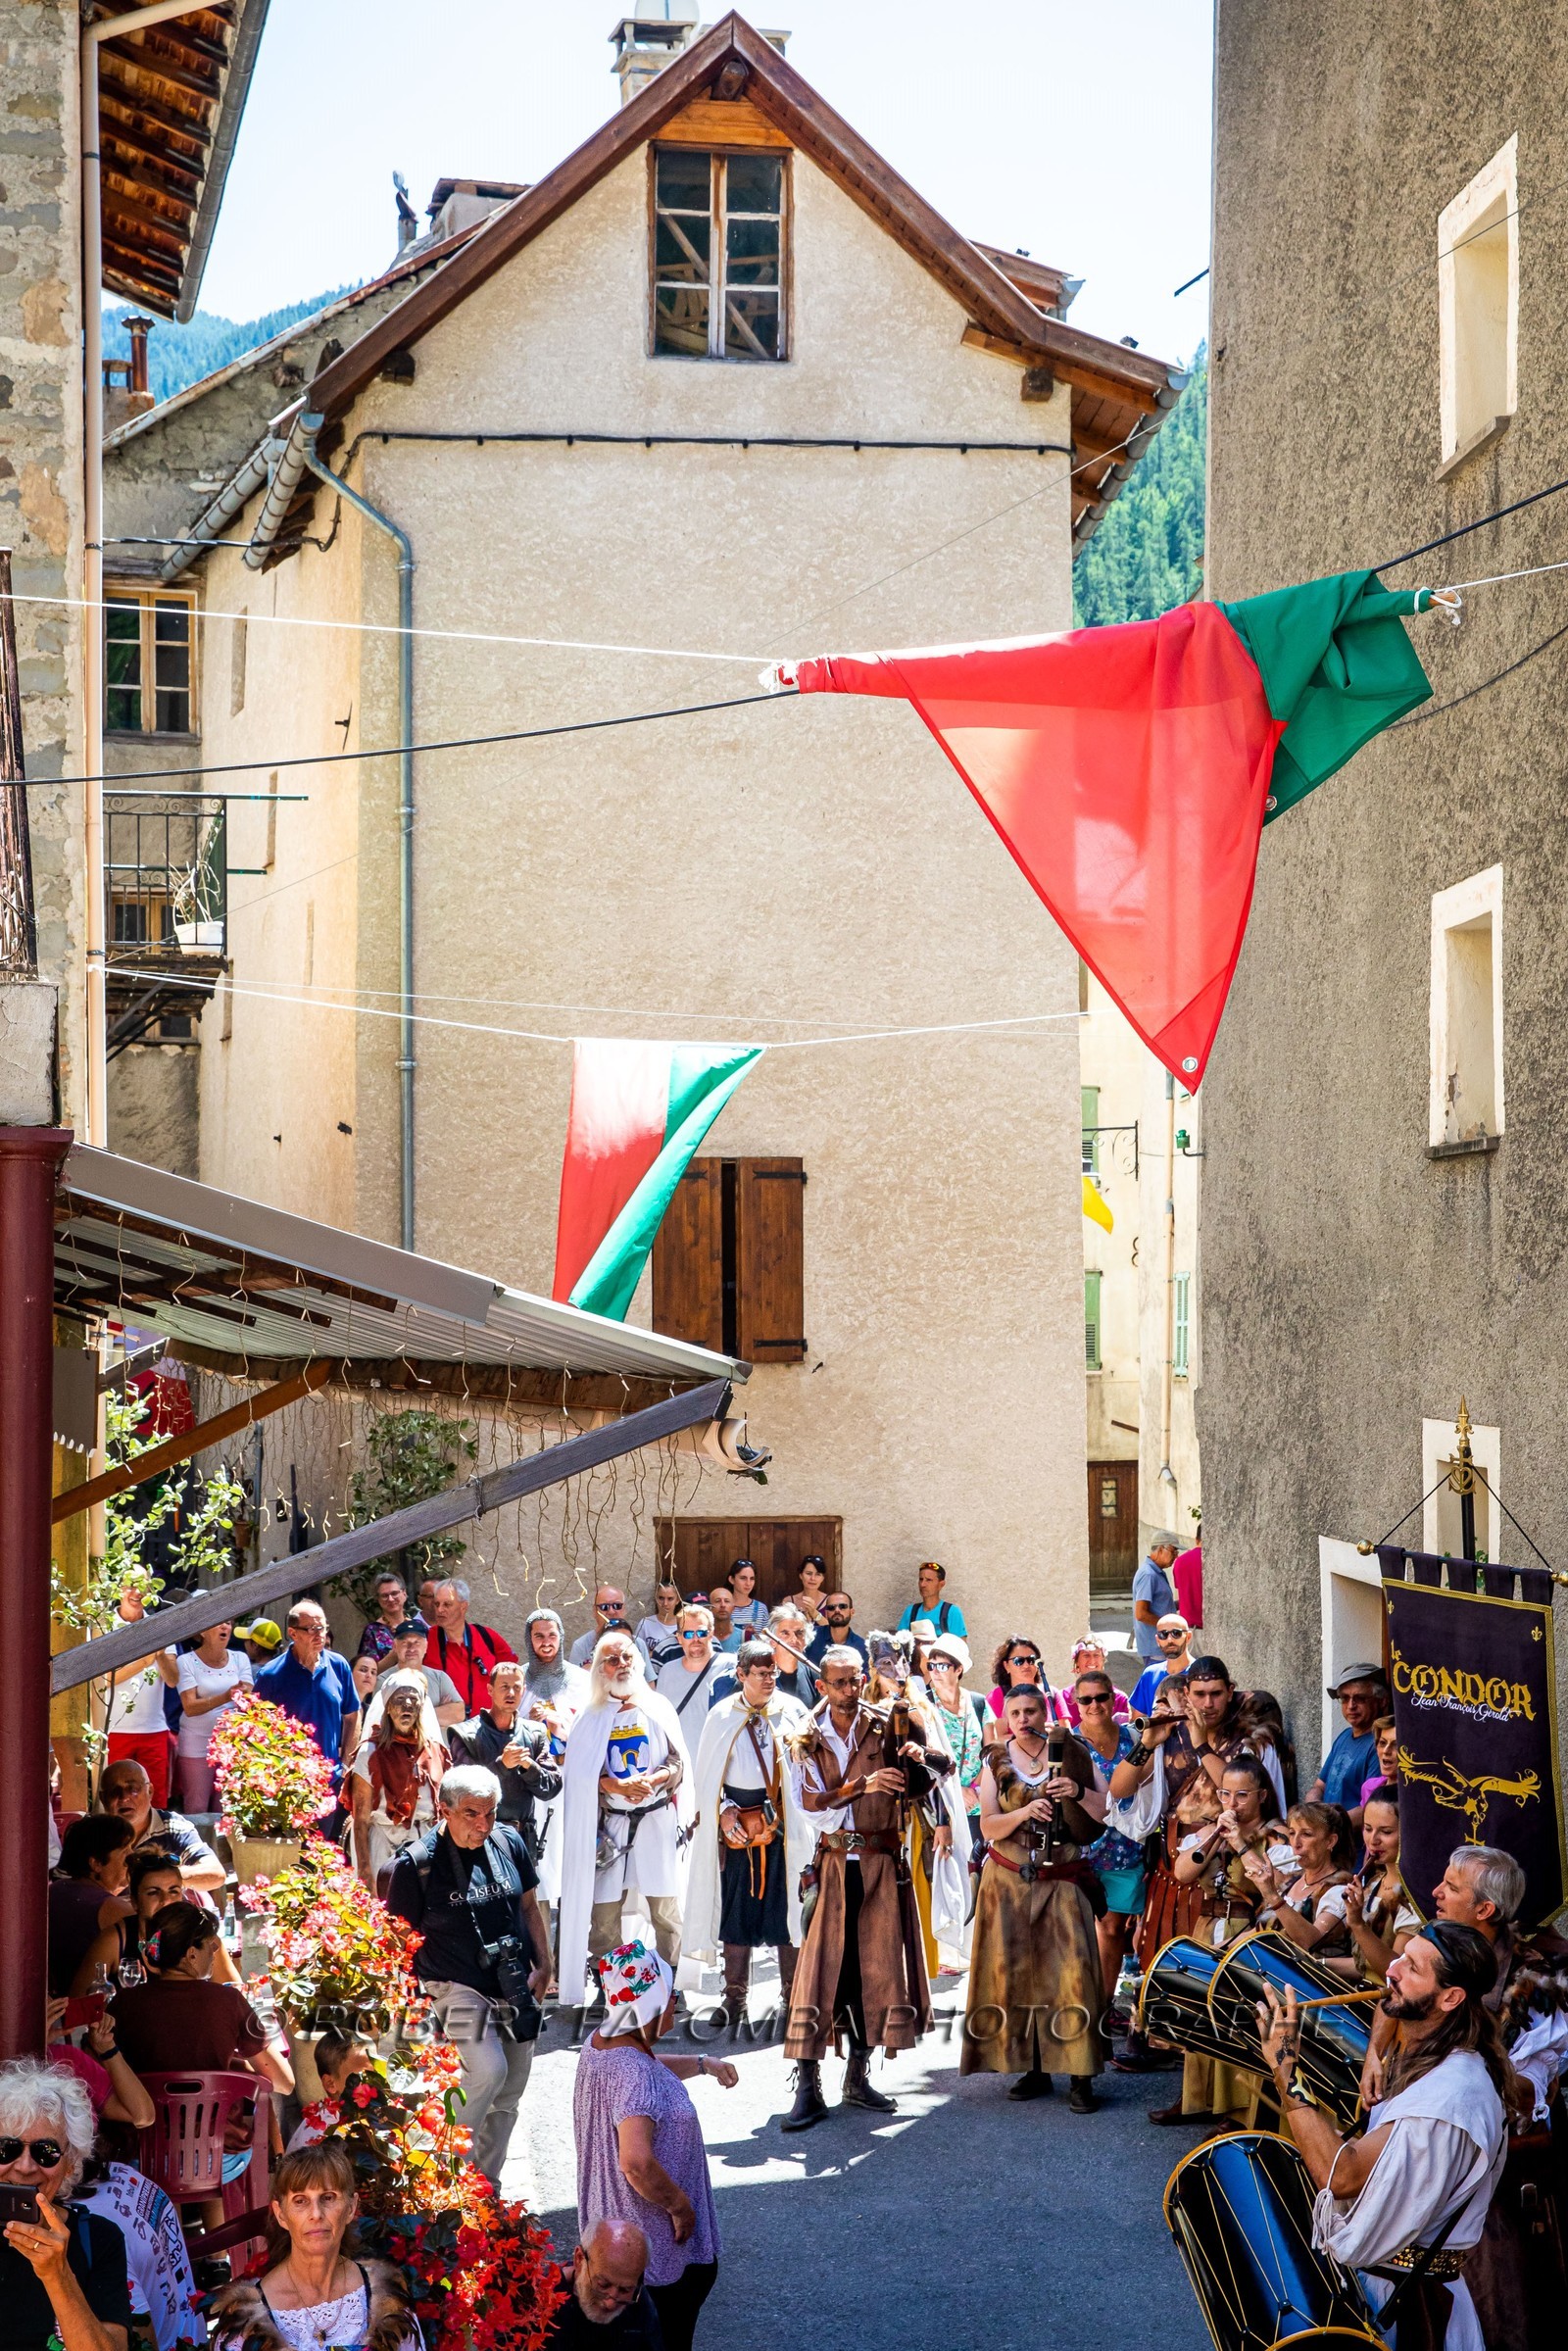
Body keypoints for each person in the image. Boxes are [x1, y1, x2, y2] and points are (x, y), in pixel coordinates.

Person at [1260, 1922, 1519, 2351]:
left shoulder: (1452, 2093)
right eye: (1400, 1957)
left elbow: (1339, 2177)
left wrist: (1287, 2070)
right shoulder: (1431, 2059)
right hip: (1390, 2286)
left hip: (1412, 2310)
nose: (1392, 1971)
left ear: (1450, 1997)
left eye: (1412, 1968)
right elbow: (1376, 2160)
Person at [780, 1645, 952, 2131]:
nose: (849, 1690)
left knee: (873, 1972)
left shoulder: (888, 1724)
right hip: (834, 1866)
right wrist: (863, 1785)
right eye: (839, 1683)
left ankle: (857, 2078)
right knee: (819, 1976)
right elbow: (811, 1805)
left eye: (856, 1680)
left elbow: (935, 1777)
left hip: (880, 1865)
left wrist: (923, 1754)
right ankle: (807, 2086)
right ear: (822, 1685)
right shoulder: (803, 1735)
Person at [1105, 1656, 1285, 2076]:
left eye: (1216, 1693)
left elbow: (1238, 1791)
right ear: (1186, 1695)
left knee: (1208, 1968)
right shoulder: (1168, 1734)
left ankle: (1204, 2067)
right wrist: (1148, 1743)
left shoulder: (1251, 1739)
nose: (1207, 1703)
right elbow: (1119, 1788)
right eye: (1198, 1694)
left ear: (1231, 1691)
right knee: (1161, 1953)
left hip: (1226, 1861)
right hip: (1175, 1861)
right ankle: (1168, 2053)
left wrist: (1202, 1742)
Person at [1421, 1845, 1568, 2350]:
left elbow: (1526, 2096)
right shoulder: (1438, 1946)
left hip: (1495, 2160)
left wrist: (1464, 2066)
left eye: (1451, 1888)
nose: (1436, 1893)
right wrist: (1378, 2053)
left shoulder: (1534, 1983)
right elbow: (1392, 1997)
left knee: (1494, 2295)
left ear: (1485, 1910)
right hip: (1434, 2135)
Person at [384, 1764, 551, 2189]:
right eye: (472, 1814)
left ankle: (485, 2188)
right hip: (453, 1982)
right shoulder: (416, 1865)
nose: (484, 1824)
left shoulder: (509, 1841)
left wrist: (546, 1966)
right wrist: (408, 2006)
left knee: (510, 2092)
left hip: (514, 1982)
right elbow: (399, 1942)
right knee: (489, 2070)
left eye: (491, 1813)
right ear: (444, 1810)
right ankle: (445, 2167)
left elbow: (530, 1907)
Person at [573, 1943, 732, 2351]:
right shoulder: (632, 2073)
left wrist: (702, 2063)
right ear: (655, 2004)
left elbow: (646, 2068)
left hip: (615, 2235)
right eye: (672, 1997)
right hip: (653, 2250)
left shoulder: (603, 2043)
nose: (676, 2006)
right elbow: (637, 2162)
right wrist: (680, 2206)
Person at [961, 1682, 1104, 2109]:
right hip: (1007, 1881)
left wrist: (1076, 1793)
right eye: (1015, 1712)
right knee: (1018, 1975)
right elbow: (987, 1826)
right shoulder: (997, 1762)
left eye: (1031, 1711)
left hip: (1062, 1877)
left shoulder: (1073, 1751)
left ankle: (1081, 2075)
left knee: (1073, 1974)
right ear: (1006, 1717)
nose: (1023, 1719)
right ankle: (1034, 2067)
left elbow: (1104, 1810)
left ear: (1044, 1713)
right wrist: (1024, 1811)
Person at [559, 1637, 695, 2008]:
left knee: (665, 1909)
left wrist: (653, 1780)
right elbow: (579, 1775)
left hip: (655, 1821)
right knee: (603, 1914)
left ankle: (670, 1987)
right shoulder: (590, 1717)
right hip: (611, 1827)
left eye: (627, 1657)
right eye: (611, 1659)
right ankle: (612, 1987)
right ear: (599, 1669)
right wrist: (613, 1784)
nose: (621, 1664)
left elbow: (678, 1762)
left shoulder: (658, 1708)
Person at [686, 1640, 812, 2029]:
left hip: (784, 1828)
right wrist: (723, 1813)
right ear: (741, 1675)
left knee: (787, 1910)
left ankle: (792, 1996)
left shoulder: (793, 1712)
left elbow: (810, 1771)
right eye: (760, 1672)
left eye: (772, 1671)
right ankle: (734, 1999)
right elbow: (707, 1780)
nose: (769, 1678)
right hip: (738, 1827)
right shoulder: (721, 1716)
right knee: (735, 1913)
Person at [209, 2139, 421, 2351]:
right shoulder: (245, 2322)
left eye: (328, 2198)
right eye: (300, 2201)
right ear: (281, 2214)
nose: (316, 2214)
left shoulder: (387, 2301)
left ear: (350, 2207)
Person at [0, 2059, 131, 2351]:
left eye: (46, 2152)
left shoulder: (98, 2238)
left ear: (71, 2162)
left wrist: (56, 2274)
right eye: (6, 2149)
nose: (24, 2166)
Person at [863, 1631, 971, 1984]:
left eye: (900, 1662)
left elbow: (944, 1770)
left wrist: (943, 1822)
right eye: (884, 1663)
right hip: (871, 1819)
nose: (893, 1669)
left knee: (916, 1895)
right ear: (873, 1668)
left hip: (916, 1819)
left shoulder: (922, 1709)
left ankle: (917, 1977)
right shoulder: (860, 1709)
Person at [112, 1904, 293, 2094]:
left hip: (146, 2123)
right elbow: (284, 2083)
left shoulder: (124, 2002)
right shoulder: (229, 2001)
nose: (215, 1948)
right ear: (191, 1954)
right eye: (210, 1942)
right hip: (217, 2123)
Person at [1073, 1669, 1150, 1998]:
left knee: (1113, 1927)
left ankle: (1103, 2005)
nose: (1094, 1705)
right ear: (1076, 1704)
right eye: (1085, 1699)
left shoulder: (1133, 1738)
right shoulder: (1069, 1744)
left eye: (1101, 1697)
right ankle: (1082, 2000)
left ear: (1112, 1698)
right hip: (1083, 1851)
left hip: (1126, 1848)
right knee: (1082, 1930)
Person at [521, 1608, 589, 1971]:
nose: (546, 1644)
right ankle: (543, 1963)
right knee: (542, 1877)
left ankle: (571, 1965)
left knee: (573, 1872)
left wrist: (563, 1726)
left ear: (562, 1638)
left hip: (573, 1788)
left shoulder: (581, 1680)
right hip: (535, 1793)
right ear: (529, 1640)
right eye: (538, 1637)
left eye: (551, 1636)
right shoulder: (518, 1681)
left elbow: (594, 1730)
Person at [75, 2158, 203, 2351]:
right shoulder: (120, 2171)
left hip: (171, 2341)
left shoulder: (93, 2231)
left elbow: (144, 2341)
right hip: (189, 2329)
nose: (24, 2166)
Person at [446, 1659, 562, 1853]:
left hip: (522, 1841)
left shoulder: (534, 1732)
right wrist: (502, 1765)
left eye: (516, 1687)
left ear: (523, 1690)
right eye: (504, 1687)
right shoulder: (465, 1734)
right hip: (478, 1839)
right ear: (490, 1690)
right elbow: (461, 1791)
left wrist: (528, 1766)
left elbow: (551, 1788)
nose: (511, 1693)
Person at [348, 1670, 446, 1890]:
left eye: (414, 1700)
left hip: (425, 1846)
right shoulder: (369, 1752)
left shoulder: (434, 1753)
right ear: (388, 1707)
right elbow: (361, 1820)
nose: (407, 1705)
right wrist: (365, 1871)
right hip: (382, 1845)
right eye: (400, 1699)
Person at [1314, 1787, 1417, 1984]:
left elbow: (1396, 1974)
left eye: (1386, 1832)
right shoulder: (1375, 1883)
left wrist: (1358, 1925)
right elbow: (1363, 1966)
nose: (1373, 1840)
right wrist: (1315, 1964)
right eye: (1368, 1829)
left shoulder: (1414, 1897)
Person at [254, 1601, 361, 1785]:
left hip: (331, 1779)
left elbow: (353, 1714)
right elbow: (256, 1728)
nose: (319, 1634)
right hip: (289, 1784)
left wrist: (345, 1764)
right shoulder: (270, 1675)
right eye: (311, 1629)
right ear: (293, 1633)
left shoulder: (338, 1665)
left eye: (322, 1627)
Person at [94, 1591, 178, 1810]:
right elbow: (105, 1680)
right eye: (131, 1585)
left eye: (144, 1586)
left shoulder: (160, 1627)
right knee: (115, 1799)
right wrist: (144, 1660)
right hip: (115, 1729)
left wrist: (159, 1654)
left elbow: (172, 1679)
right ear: (119, 1590)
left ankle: (154, 1844)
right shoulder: (104, 1625)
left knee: (155, 1800)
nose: (137, 1592)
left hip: (154, 1730)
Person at [1242, 1799, 1355, 1953]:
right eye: (1292, 1833)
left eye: (1306, 1834)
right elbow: (1258, 1933)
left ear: (1330, 1841)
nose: (1295, 1843)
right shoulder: (1293, 1883)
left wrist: (1272, 1895)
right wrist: (1212, 1951)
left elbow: (1310, 1942)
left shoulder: (1340, 1891)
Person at [70, 1848, 184, 1994]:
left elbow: (221, 1996)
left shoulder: (200, 1937)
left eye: (173, 1891)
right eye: (153, 1892)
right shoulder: (114, 1940)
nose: (165, 1900)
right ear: (135, 1901)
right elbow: (78, 2004)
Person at [95, 1761, 223, 1890]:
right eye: (114, 1791)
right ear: (103, 1798)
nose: (124, 1798)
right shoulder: (92, 1833)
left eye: (133, 1789)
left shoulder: (173, 1826)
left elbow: (216, 1874)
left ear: (150, 1791)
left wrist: (157, 1877)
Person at [48, 1818, 134, 1996]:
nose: (132, 1860)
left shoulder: (53, 1891)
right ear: (96, 1863)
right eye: (126, 1854)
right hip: (88, 2010)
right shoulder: (111, 1908)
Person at [544, 2220, 662, 2349]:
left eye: (625, 2289)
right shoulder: (539, 2300)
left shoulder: (639, 2300)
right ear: (579, 2259)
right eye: (603, 2285)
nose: (610, 2304)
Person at [172, 1619, 251, 1812]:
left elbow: (248, 1697)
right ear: (203, 1631)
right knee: (196, 1806)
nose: (225, 1627)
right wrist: (225, 1697)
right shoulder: (186, 1661)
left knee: (225, 1807)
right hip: (196, 1743)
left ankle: (220, 1844)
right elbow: (190, 1706)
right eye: (219, 1623)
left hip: (231, 1744)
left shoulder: (240, 1658)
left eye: (229, 1623)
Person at [44, 1997, 156, 2131]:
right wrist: (33, 2045)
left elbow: (142, 2116)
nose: (48, 2003)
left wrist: (107, 2049)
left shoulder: (66, 2058)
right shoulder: (13, 2062)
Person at [922, 1633, 986, 1842]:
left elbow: (993, 1752)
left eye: (942, 1666)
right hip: (941, 1806)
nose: (935, 1672)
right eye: (931, 1665)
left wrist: (974, 1789)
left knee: (977, 1870)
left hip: (979, 1804)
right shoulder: (924, 1705)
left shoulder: (978, 1702)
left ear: (958, 1669)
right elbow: (923, 1760)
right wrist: (958, 1791)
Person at [1307, 1663, 1390, 1822]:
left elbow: (1372, 1807)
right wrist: (1313, 1809)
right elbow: (1319, 1785)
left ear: (1382, 1701)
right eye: (1345, 1698)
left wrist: (1328, 1827)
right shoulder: (1344, 1736)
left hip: (1353, 1843)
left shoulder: (1381, 1744)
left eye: (1360, 1698)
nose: (1351, 1706)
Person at [424, 1579, 516, 1713]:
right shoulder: (425, 1640)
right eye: (437, 1604)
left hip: (487, 1725)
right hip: (445, 1726)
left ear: (463, 1607)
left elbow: (513, 1674)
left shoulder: (487, 1636)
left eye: (447, 1604)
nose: (439, 1610)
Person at [283, 2030, 375, 2153]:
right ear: (330, 2083)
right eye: (359, 2078)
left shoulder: (367, 2117)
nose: (373, 2087)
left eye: (375, 2075)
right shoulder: (326, 2140)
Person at [368, 1614, 465, 1731]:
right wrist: (440, 1712)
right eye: (405, 1643)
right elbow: (383, 1722)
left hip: (436, 1747)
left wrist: (406, 1715)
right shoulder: (384, 1681)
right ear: (395, 1647)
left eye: (417, 1643)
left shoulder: (440, 1678)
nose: (411, 1648)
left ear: (426, 1647)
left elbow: (459, 1713)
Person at [654, 1605, 728, 1725]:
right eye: (688, 1634)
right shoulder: (667, 1672)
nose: (695, 1639)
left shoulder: (730, 1666)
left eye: (701, 1633)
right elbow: (660, 1718)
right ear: (679, 1638)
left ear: (711, 1634)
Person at [1054, 1638, 1131, 1726]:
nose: (1092, 1661)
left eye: (1096, 1655)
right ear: (1077, 1661)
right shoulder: (1062, 1698)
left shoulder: (1119, 1698)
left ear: (1103, 1661)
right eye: (1086, 1655)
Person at [985, 1635, 1055, 1728]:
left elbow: (1066, 1732)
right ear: (1006, 1666)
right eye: (1019, 1661)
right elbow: (999, 1737)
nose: (1026, 1665)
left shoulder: (1051, 1693)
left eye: (1031, 1660)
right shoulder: (996, 1697)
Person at [1128, 1614, 1192, 1716]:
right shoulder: (1150, 1674)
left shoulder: (1199, 1673)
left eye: (1176, 1633)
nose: (1170, 1640)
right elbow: (1138, 1719)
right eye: (1163, 1634)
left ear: (1188, 1637)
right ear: (1158, 1640)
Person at [1132, 1533, 1180, 1663]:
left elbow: (1160, 1605)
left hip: (1160, 1645)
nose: (1176, 1556)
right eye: (1173, 1551)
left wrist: (1179, 1604)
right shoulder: (1149, 1574)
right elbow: (1141, 1614)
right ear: (1160, 1549)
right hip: (1156, 1648)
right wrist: (1169, 1627)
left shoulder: (1155, 1572)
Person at [898, 1562, 966, 1641]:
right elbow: (899, 1644)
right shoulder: (911, 1611)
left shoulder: (952, 1612)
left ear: (941, 1584)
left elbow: (961, 1649)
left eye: (928, 1580)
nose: (923, 1584)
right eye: (921, 1579)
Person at [354, 1574, 411, 1666]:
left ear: (404, 1593)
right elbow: (368, 1672)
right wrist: (393, 1655)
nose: (391, 1599)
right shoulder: (373, 1631)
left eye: (394, 1593)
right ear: (378, 1599)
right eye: (385, 1595)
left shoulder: (417, 1626)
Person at [632, 1582, 685, 1674]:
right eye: (661, 1598)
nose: (665, 1603)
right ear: (656, 1598)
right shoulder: (646, 1623)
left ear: (677, 1600)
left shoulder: (683, 1624)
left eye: (670, 1599)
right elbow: (635, 1656)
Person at [570, 1589, 630, 1670]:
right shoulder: (581, 1646)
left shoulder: (637, 1643)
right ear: (595, 1611)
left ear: (624, 1609)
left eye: (617, 1606)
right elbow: (574, 1680)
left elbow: (649, 1682)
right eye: (604, 1607)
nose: (611, 1612)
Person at [805, 1594, 866, 1670]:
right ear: (826, 1614)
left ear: (852, 1612)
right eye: (831, 1608)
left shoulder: (862, 1647)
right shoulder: (811, 1636)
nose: (837, 1610)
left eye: (842, 1606)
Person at [1360, 1712, 1399, 1809]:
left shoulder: (1417, 1794)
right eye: (1382, 1743)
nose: (1386, 1751)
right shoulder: (1369, 1788)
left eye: (1396, 1745)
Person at [724, 1560, 768, 1638]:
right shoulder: (723, 1606)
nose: (748, 1583)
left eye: (752, 1578)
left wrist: (754, 1636)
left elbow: (768, 1641)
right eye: (743, 1578)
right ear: (731, 1579)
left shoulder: (761, 1609)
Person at [1171, 1536, 1202, 1629]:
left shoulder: (1180, 1561)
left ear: (1197, 1539)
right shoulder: (1217, 1560)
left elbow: (1181, 1591)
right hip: (1213, 1626)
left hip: (1187, 1627)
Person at [789, 1555, 828, 1626]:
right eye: (809, 1573)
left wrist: (814, 1613)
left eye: (818, 1574)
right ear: (801, 1575)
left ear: (822, 1578)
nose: (813, 1578)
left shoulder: (830, 1601)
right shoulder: (789, 1601)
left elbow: (833, 1629)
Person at [705, 1589, 741, 1657]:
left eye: (727, 1601)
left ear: (733, 1608)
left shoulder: (745, 1637)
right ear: (709, 1607)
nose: (723, 1605)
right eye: (718, 1601)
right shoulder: (701, 1637)